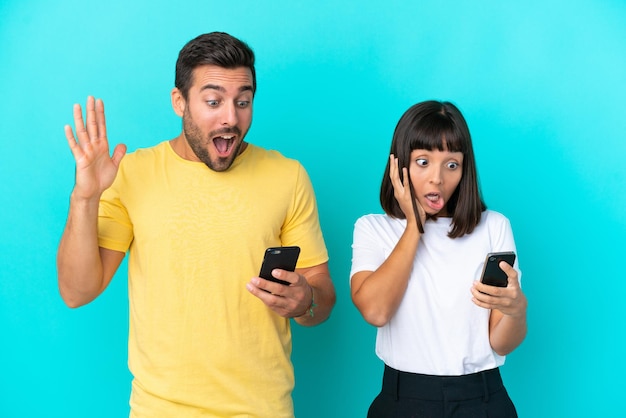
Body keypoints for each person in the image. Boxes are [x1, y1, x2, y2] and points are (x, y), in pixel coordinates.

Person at [57, 32, 336, 418]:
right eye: (213, 101)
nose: (231, 118)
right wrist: (85, 197)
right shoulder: (133, 173)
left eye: (243, 102)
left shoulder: (288, 177)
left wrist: (307, 301)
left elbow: (322, 297)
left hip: (263, 409)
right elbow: (77, 291)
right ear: (179, 102)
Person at [350, 100, 527, 417]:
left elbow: (501, 343)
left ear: (464, 169)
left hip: (483, 399)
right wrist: (413, 227)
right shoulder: (373, 229)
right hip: (405, 400)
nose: (437, 178)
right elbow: (376, 311)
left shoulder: (493, 227)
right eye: (422, 162)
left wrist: (516, 309)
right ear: (398, 165)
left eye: (451, 165)